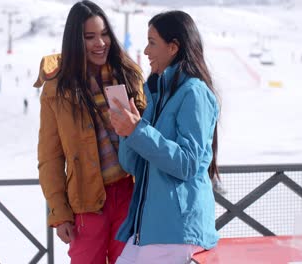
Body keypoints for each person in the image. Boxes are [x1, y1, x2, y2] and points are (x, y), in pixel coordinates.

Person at [33, 1, 146, 263]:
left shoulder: (127, 74)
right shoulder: (57, 89)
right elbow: (50, 156)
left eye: (104, 34)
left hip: (129, 194)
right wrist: (59, 213)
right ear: (75, 40)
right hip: (86, 201)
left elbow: (148, 133)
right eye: (90, 37)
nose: (100, 43)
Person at [109, 11, 220, 263]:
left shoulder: (194, 93)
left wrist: (138, 130)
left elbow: (187, 163)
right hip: (150, 229)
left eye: (152, 42)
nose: (146, 51)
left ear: (173, 47)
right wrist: (128, 133)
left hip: (178, 230)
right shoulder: (158, 94)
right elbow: (132, 165)